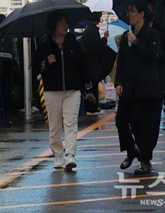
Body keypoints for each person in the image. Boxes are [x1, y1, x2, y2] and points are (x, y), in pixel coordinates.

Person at [35, 11, 94, 171]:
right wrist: (46, 62)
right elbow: (36, 68)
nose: (65, 26)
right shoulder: (44, 44)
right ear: (53, 24)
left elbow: (83, 66)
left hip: (72, 90)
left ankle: (70, 156)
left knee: (70, 124)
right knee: (54, 126)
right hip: (51, 91)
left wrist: (88, 88)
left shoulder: (74, 42)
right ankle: (58, 156)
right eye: (61, 23)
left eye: (66, 23)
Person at [114, 0, 160, 175]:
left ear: (141, 14)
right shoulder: (127, 35)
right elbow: (122, 61)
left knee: (143, 125)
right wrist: (119, 82)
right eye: (129, 11)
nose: (130, 15)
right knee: (121, 121)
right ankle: (132, 149)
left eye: (132, 11)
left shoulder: (152, 34)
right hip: (129, 88)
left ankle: (145, 159)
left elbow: (150, 56)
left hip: (146, 87)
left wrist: (136, 42)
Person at [79, 11, 111, 116]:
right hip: (91, 63)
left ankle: (93, 107)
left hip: (89, 62)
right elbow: (98, 47)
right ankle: (92, 107)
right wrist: (105, 38)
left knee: (92, 84)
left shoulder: (90, 29)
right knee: (92, 84)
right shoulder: (92, 30)